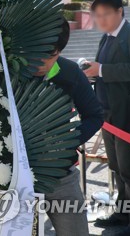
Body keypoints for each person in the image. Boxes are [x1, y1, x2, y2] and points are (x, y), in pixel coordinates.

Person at [83, 0, 130, 236]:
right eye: (97, 16)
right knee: (117, 168)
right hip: (109, 114)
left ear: (120, 12)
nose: (101, 20)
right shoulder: (106, 38)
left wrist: (102, 70)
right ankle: (123, 213)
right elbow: (104, 72)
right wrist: (92, 73)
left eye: (105, 14)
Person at [33, 19, 104, 236]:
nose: (41, 61)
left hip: (61, 174)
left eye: (50, 54)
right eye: (36, 51)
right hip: (17, 177)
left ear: (60, 51)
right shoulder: (11, 69)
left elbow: (95, 115)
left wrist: (69, 142)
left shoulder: (70, 72)